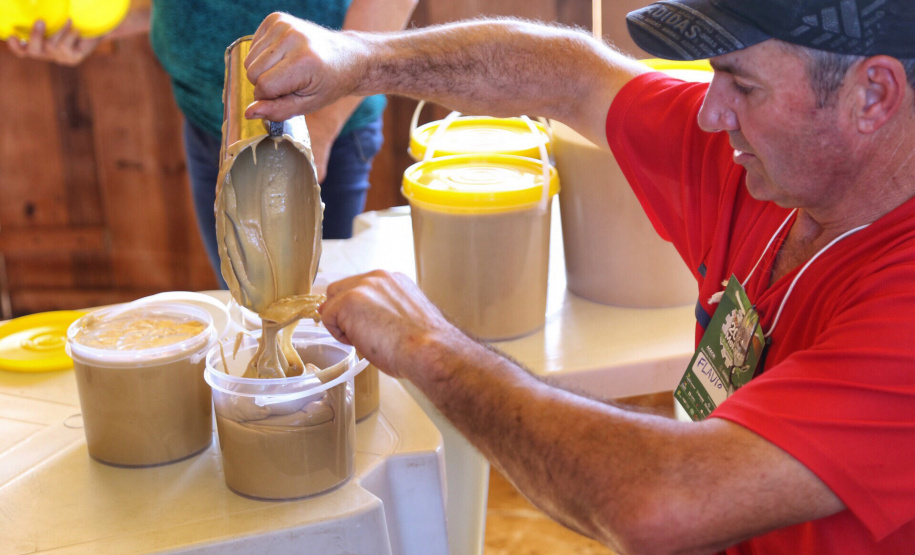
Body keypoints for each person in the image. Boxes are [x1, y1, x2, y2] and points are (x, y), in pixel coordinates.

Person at [242, 0, 915, 552]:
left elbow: (660, 502)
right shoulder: (773, 165)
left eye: (742, 85)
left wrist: (428, 346)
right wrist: (361, 60)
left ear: (872, 94)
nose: (709, 111)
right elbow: (570, 75)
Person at [6, 0, 418, 287]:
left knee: (316, 314)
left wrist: (321, 128)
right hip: (207, 121)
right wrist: (95, 27)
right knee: (243, 297)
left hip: (315, 127)